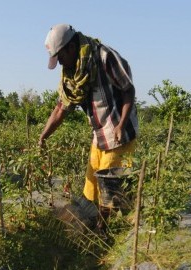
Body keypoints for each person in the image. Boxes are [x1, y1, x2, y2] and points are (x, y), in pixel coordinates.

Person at [38, 24, 138, 214]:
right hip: (99, 134)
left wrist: (121, 124)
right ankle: (95, 224)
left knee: (109, 191)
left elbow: (128, 89)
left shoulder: (104, 57)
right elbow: (61, 108)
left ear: (71, 47)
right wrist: (43, 136)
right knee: (91, 187)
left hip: (119, 135)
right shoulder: (73, 74)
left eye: (60, 57)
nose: (59, 63)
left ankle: (106, 232)